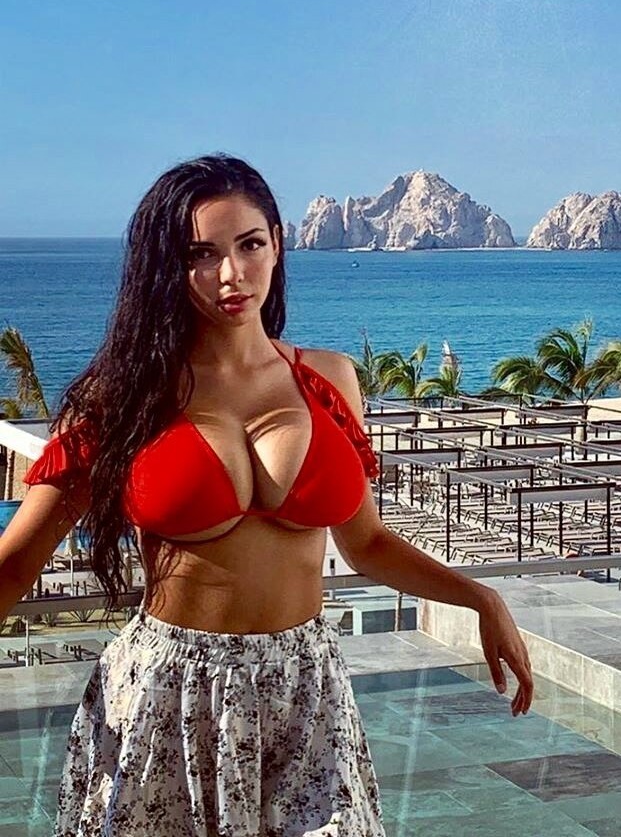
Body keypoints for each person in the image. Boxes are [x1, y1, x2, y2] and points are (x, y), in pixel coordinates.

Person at [0, 155, 533, 836]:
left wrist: (481, 597)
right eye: (202, 254)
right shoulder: (123, 396)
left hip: (307, 688)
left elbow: (366, 543)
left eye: (249, 244)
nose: (232, 273)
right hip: (169, 695)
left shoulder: (330, 379)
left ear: (278, 244)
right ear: (168, 266)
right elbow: (17, 562)